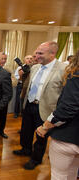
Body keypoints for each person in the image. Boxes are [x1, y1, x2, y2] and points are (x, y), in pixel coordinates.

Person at [13, 41, 67, 170]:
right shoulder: (35, 67)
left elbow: (65, 93)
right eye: (36, 53)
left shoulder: (63, 69)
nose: (36, 56)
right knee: (26, 130)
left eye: (40, 53)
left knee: (41, 136)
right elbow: (25, 84)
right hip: (29, 104)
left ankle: (36, 159)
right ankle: (25, 149)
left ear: (52, 53)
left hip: (46, 109)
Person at [36, 51, 79, 180]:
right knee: (72, 171)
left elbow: (67, 109)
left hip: (68, 136)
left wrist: (45, 126)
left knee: (59, 175)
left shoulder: (75, 76)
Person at [0, 53, 11, 139]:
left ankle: (0, 130)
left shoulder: (8, 70)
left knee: (3, 116)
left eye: (5, 59)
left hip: (4, 97)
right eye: (2, 59)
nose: (4, 61)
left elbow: (14, 81)